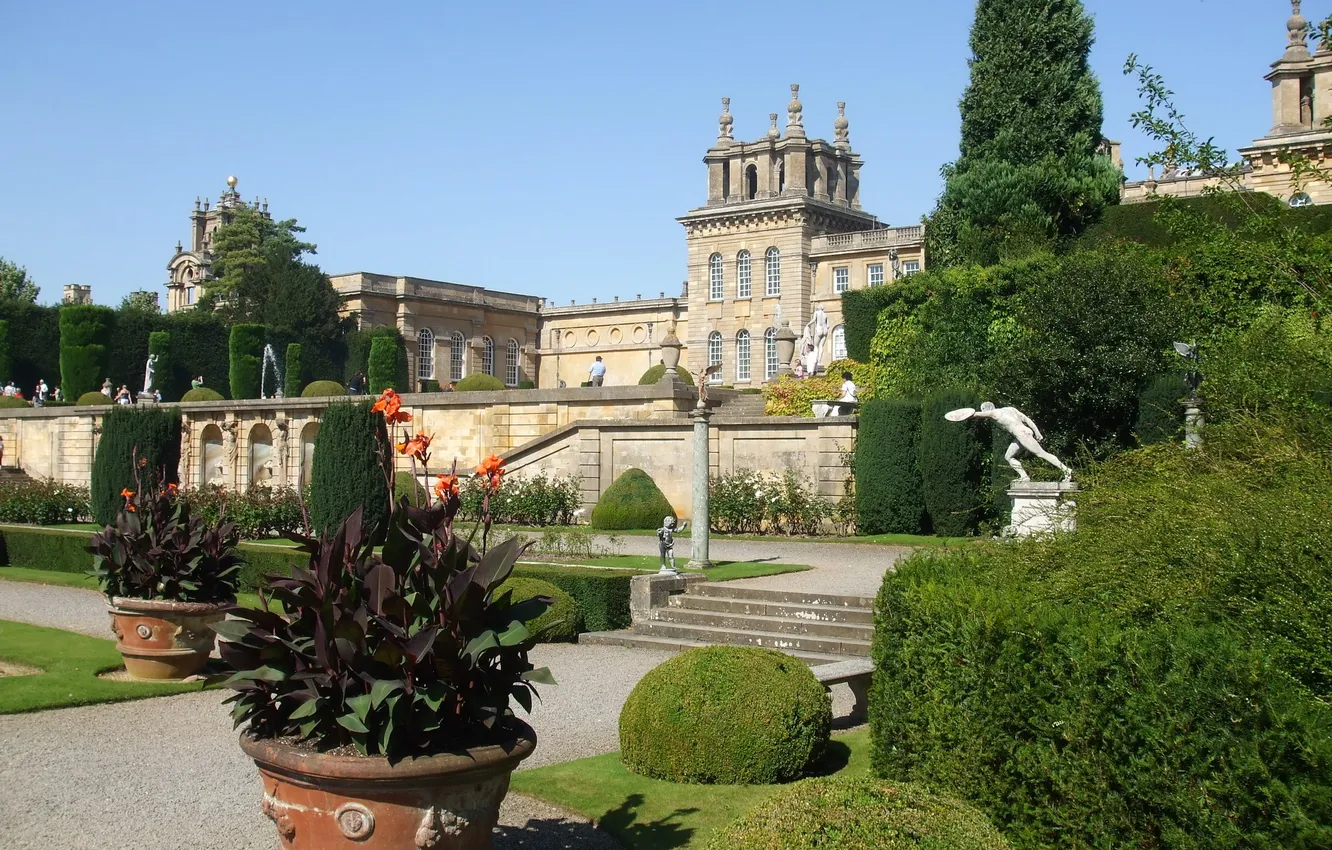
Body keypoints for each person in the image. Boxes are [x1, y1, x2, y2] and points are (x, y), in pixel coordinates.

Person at [967, 401, 1073, 482]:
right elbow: (1026, 419)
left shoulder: (993, 413)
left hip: (1022, 435)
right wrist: (1037, 432)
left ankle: (1066, 470)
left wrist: (962, 415)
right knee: (1008, 457)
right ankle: (1024, 476)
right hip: (1024, 433)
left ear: (986, 410)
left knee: (1042, 454)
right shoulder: (1010, 409)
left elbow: (975, 415)